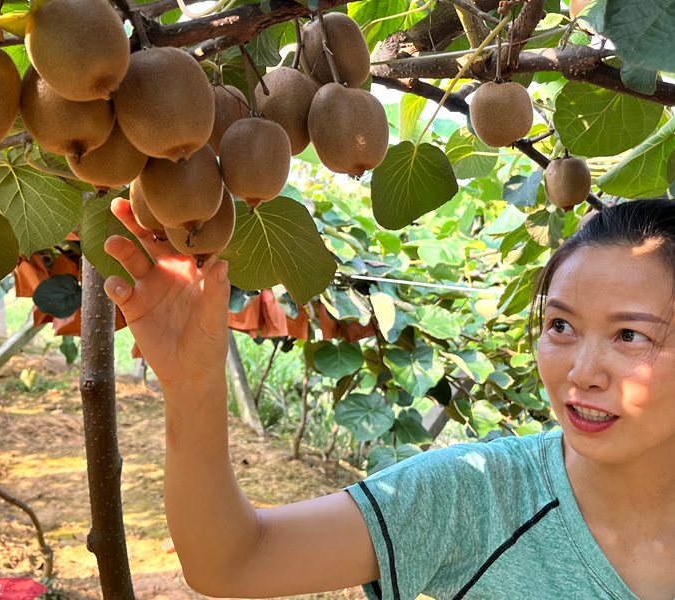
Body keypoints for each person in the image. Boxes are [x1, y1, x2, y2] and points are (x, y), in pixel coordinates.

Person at [102, 197, 675, 600]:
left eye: (630, 336)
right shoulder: (478, 496)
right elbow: (233, 558)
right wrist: (191, 384)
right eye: (560, 326)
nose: (581, 371)